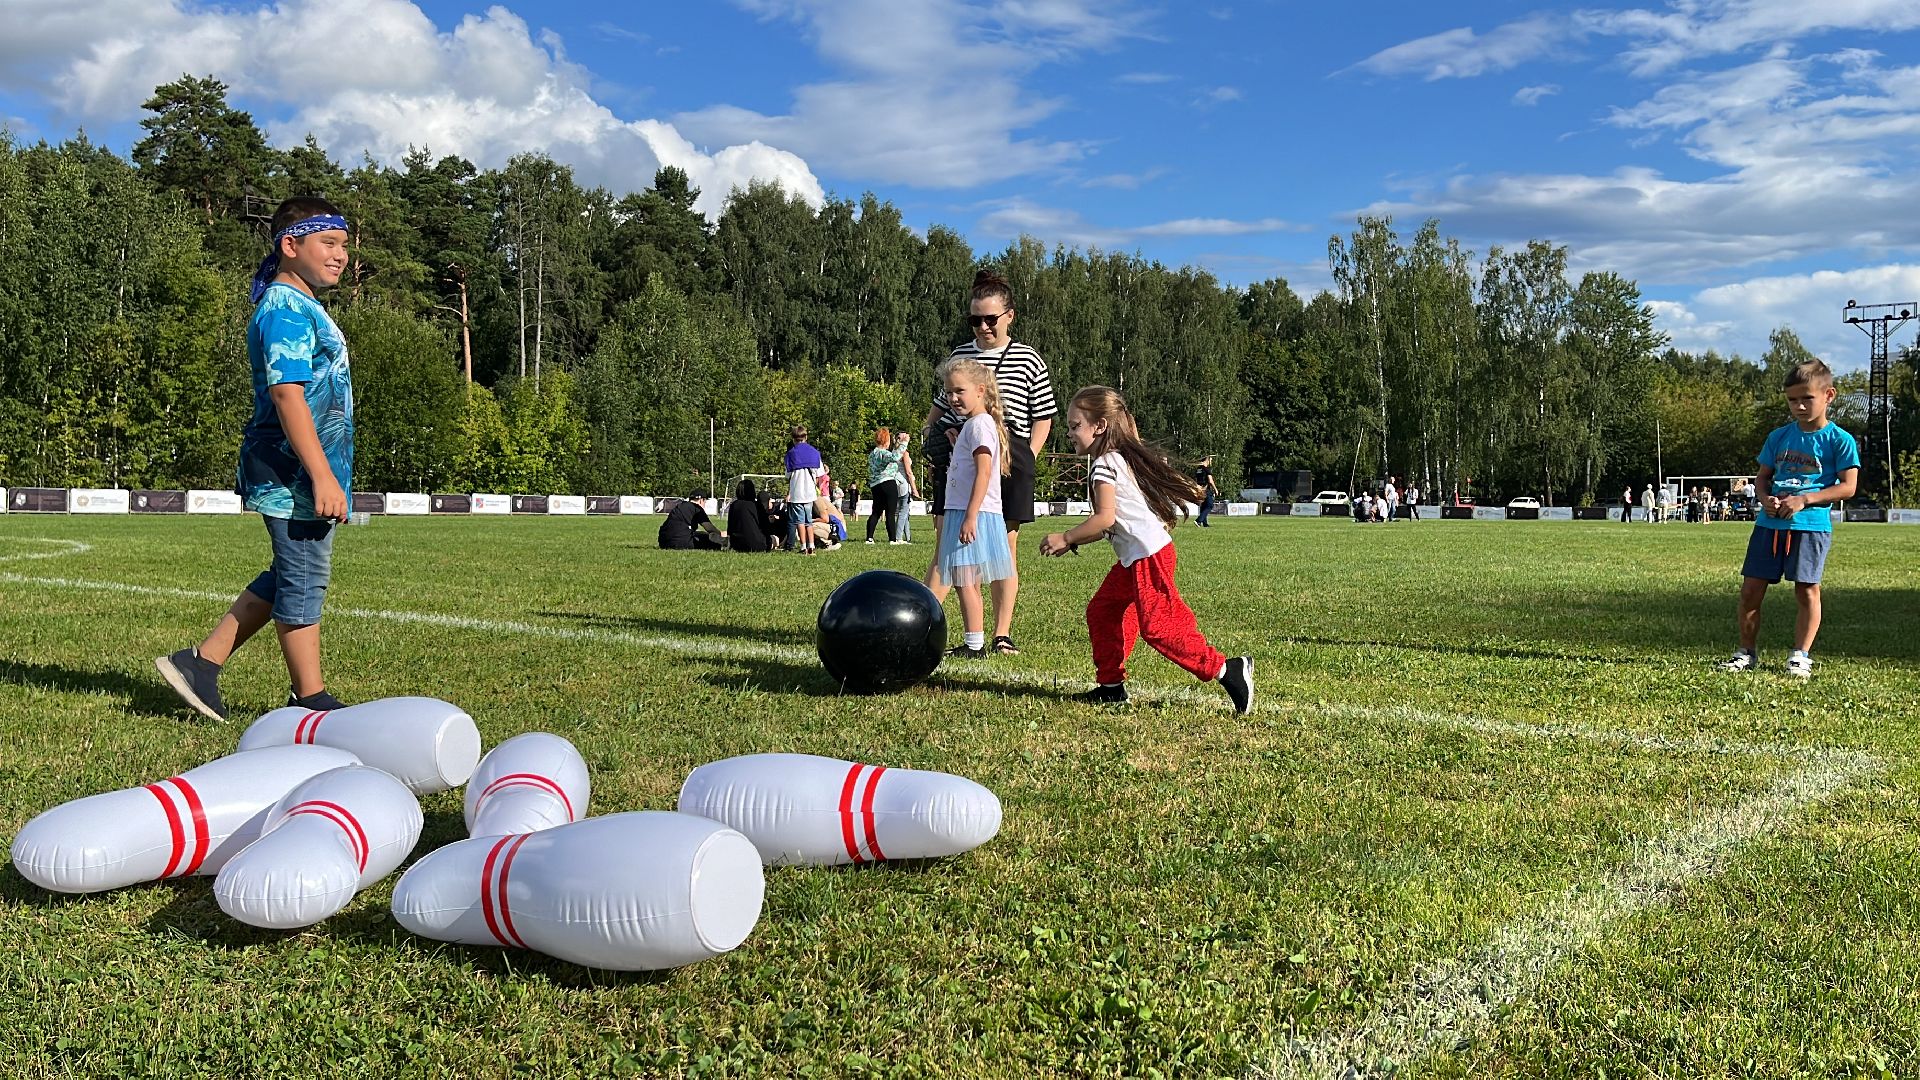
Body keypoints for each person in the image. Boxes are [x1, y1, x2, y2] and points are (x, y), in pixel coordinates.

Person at [155, 197, 356, 722]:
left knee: (290, 572)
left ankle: (201, 663)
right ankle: (309, 701)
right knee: (305, 578)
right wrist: (321, 475)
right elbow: (289, 395)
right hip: (294, 472)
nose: (341, 256)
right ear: (290, 246)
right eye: (328, 244)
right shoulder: (286, 309)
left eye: (344, 246)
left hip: (302, 469)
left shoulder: (299, 305)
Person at [1040, 386, 1253, 715]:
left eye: (1074, 425)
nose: (1069, 433)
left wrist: (1067, 538)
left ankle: (1227, 670)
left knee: (1160, 629)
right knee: (1104, 611)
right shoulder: (1114, 460)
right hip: (1138, 558)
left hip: (1148, 558)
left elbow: (1104, 518)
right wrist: (1078, 538)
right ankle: (1111, 687)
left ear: (1100, 426)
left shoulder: (1103, 466)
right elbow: (1112, 525)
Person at [923, 269, 1056, 656]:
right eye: (974, 319)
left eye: (990, 318)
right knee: (948, 543)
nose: (982, 326)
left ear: (1009, 316)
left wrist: (1026, 456)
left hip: (1009, 454)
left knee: (1003, 548)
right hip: (956, 455)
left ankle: (1000, 634)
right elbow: (938, 407)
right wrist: (931, 439)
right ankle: (927, 621)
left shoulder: (1029, 358)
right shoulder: (959, 355)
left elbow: (1043, 415)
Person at [1717, 360, 1859, 679]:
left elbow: (1848, 486)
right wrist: (1765, 498)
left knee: (1807, 591)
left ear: (1829, 395)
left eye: (1806, 398)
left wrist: (1804, 499)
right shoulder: (1779, 436)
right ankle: (1746, 652)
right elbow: (1763, 477)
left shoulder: (1840, 440)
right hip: (1769, 526)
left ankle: (1800, 655)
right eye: (1792, 400)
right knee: (1751, 590)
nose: (1799, 405)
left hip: (1810, 527)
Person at [925, 357, 1017, 659]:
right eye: (949, 392)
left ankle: (974, 644)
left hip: (971, 513)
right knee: (966, 580)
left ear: (980, 390)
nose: (952, 398)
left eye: (959, 391)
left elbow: (984, 471)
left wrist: (971, 515)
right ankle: (974, 641)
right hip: (963, 510)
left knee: (965, 581)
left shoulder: (979, 425)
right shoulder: (975, 425)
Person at [784, 425, 822, 555]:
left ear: (793, 439)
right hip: (810, 492)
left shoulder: (790, 454)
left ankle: (803, 546)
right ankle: (812, 546)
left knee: (799, 521)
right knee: (809, 521)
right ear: (806, 437)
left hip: (797, 492)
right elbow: (819, 474)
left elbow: (787, 475)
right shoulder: (815, 453)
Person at [865, 427, 906, 544]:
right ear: (886, 441)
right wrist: (904, 443)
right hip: (888, 482)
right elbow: (895, 457)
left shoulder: (873, 454)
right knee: (890, 512)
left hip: (875, 485)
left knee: (876, 511)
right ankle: (892, 539)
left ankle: (869, 537)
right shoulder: (883, 453)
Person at [659, 491, 724, 550]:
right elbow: (709, 528)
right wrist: (721, 534)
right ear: (701, 500)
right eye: (705, 501)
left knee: (699, 533)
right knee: (712, 542)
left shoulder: (679, 506)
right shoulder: (697, 509)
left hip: (664, 542)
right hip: (682, 543)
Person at [727, 480, 773, 552]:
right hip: (757, 545)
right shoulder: (756, 505)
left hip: (737, 545)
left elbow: (730, 528)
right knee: (774, 538)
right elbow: (765, 527)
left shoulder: (734, 505)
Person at [893, 430, 919, 544]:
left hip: (895, 483)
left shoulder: (894, 452)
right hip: (903, 484)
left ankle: (908, 537)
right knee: (903, 512)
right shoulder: (905, 453)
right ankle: (898, 537)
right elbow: (908, 472)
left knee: (903, 511)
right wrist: (914, 489)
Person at [1194, 455, 1219, 527]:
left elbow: (1196, 479)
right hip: (1206, 489)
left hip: (1199, 489)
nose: (1211, 462)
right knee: (1209, 505)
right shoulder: (1206, 469)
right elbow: (1210, 481)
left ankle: (1205, 523)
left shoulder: (1198, 469)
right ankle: (1198, 521)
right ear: (1207, 460)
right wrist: (1215, 489)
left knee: (1204, 506)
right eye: (1210, 460)